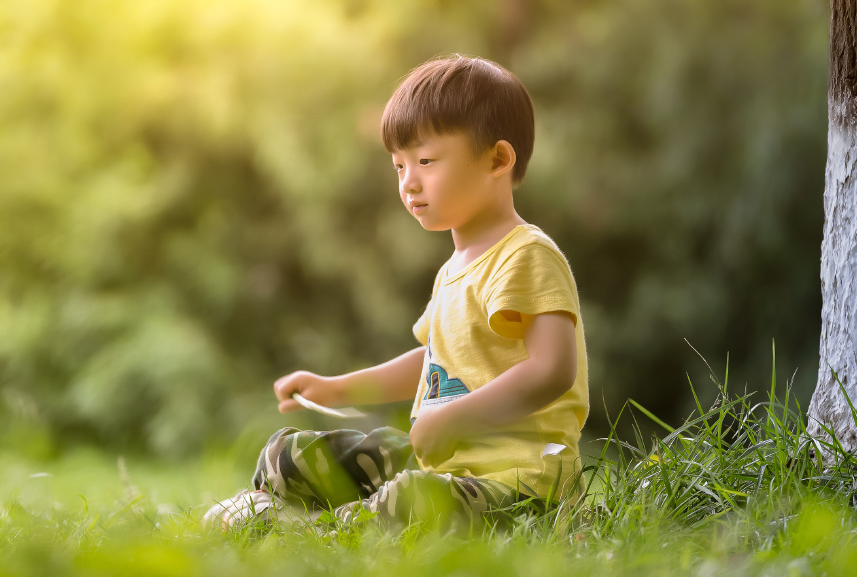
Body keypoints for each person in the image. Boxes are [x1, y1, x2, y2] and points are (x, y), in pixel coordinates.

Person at [203, 55, 589, 533]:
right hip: (442, 465)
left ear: (497, 159)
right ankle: (288, 508)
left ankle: (306, 528)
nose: (409, 182)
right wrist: (337, 387)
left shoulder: (526, 256)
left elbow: (552, 370)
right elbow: (433, 361)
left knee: (411, 499)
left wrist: (453, 420)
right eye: (399, 165)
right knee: (291, 451)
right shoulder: (453, 269)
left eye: (426, 161)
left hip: (516, 483)